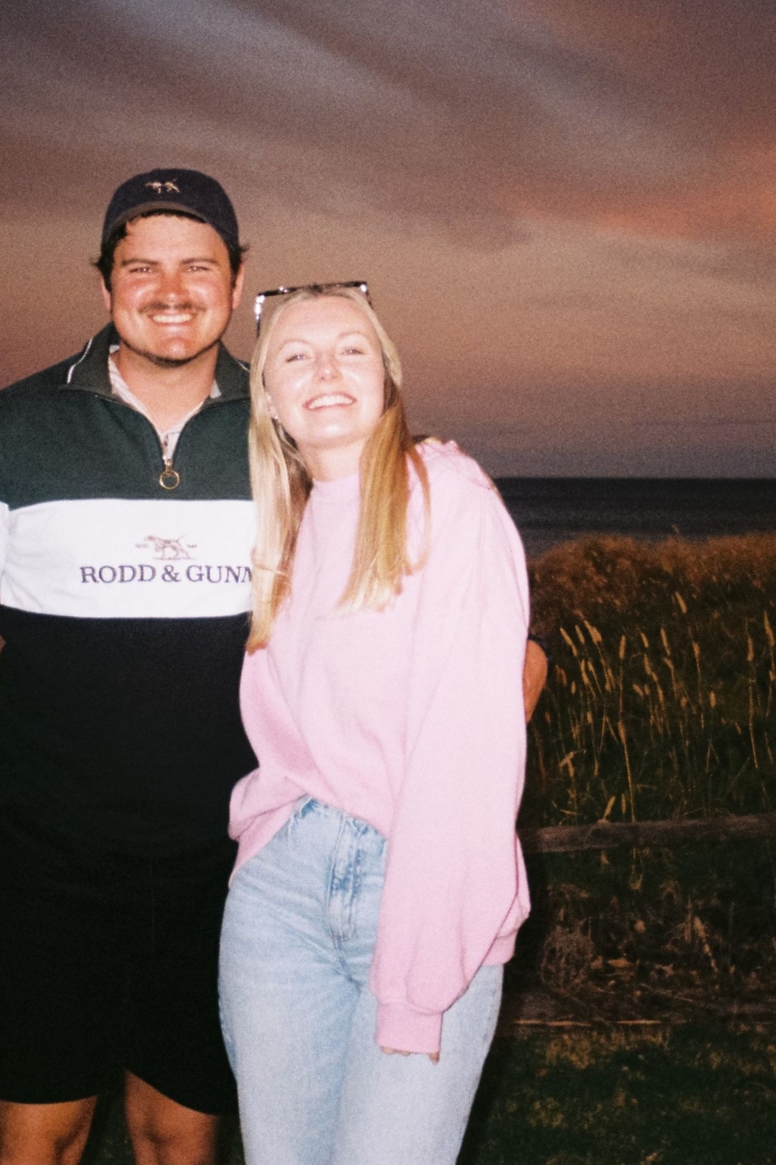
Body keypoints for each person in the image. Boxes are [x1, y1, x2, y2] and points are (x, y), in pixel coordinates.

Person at [0, 168, 258, 1165]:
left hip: (225, 862)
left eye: (197, 263)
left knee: (178, 1134)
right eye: (141, 264)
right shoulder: (10, 429)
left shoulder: (288, 440)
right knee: (36, 1139)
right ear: (105, 284)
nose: (170, 286)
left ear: (234, 282)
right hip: (41, 862)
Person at [218, 283, 531, 1165]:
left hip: (418, 882)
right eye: (295, 354)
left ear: (387, 380)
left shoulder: (448, 499)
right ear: (270, 403)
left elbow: (466, 754)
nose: (325, 369)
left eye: (352, 349)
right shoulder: (284, 531)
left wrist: (419, 978)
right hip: (280, 895)